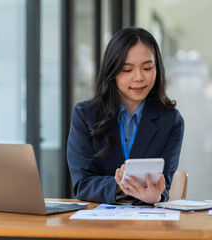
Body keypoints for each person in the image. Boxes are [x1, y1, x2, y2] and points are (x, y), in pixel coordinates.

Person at [67, 27, 184, 204]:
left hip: (147, 223)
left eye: (147, 67)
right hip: (97, 224)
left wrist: (157, 196)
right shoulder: (84, 115)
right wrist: (120, 185)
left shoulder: (171, 121)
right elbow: (82, 184)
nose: (138, 77)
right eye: (127, 70)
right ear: (111, 72)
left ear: (157, 68)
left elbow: (164, 185)